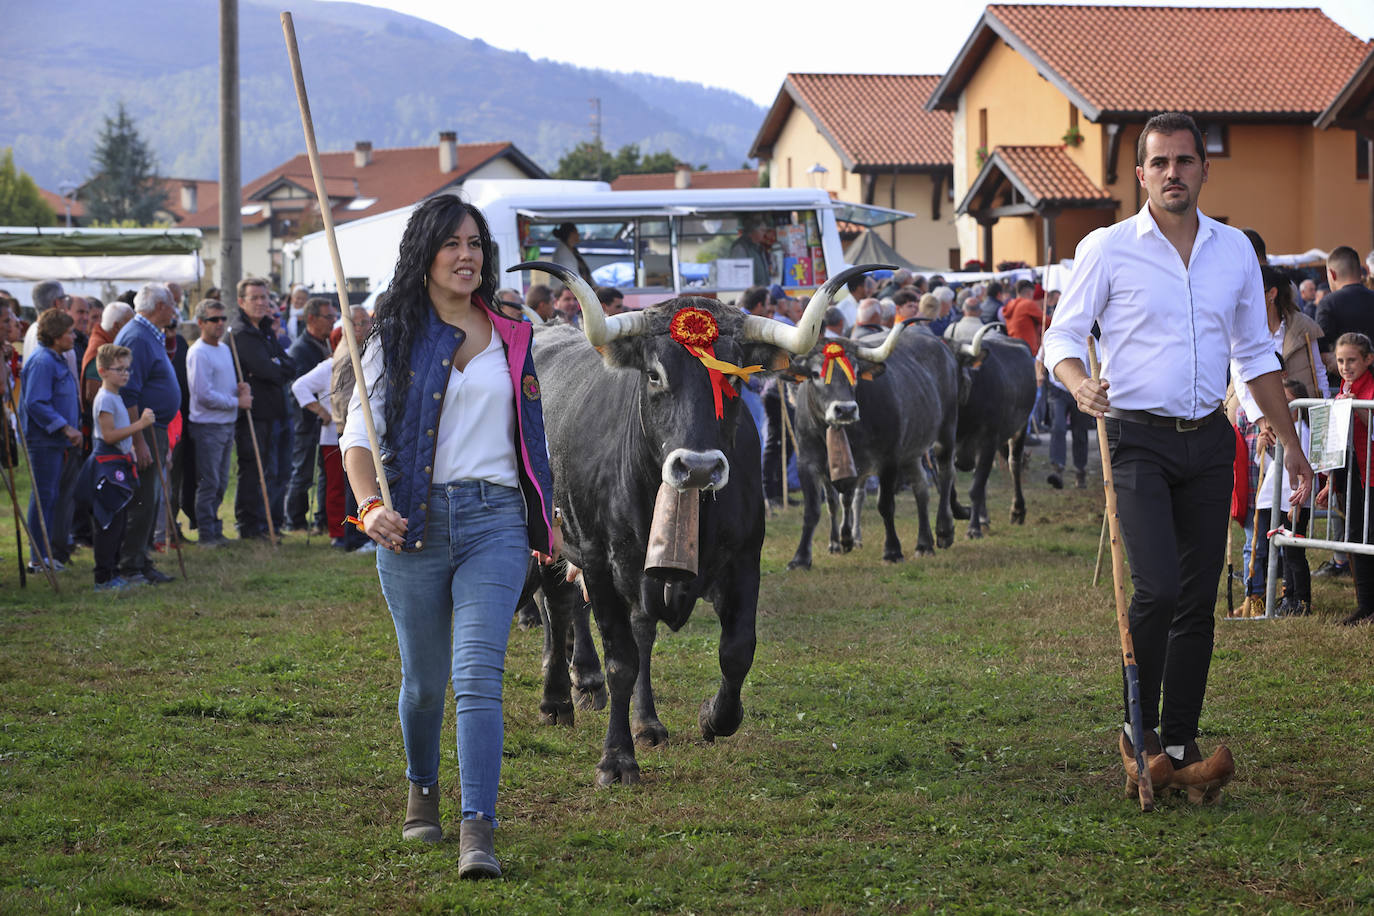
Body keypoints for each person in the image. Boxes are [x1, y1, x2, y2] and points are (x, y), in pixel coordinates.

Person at [1043, 112, 1312, 801]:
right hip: (1134, 438)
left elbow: (1255, 356)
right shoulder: (1108, 248)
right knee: (1158, 588)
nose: (1172, 174)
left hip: (1209, 438)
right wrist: (1080, 386)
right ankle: (1138, 735)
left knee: (1197, 598)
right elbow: (1061, 340)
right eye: (1159, 163)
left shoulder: (1232, 254)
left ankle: (1182, 742)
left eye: (1184, 161)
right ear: (1141, 175)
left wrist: (1292, 446)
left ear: (1203, 169)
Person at [340, 194, 558, 877]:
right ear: (425, 255)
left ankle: (478, 828)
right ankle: (422, 788)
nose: (467, 256)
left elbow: (535, 443)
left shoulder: (514, 338)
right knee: (425, 684)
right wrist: (370, 508)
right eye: (452, 244)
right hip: (413, 524)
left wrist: (554, 526)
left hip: (495, 523)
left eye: (476, 244)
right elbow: (355, 441)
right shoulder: (391, 337)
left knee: (477, 676)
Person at [113, 284, 181, 585]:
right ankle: (130, 566)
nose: (175, 310)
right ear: (158, 307)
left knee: (151, 497)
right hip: (145, 427)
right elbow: (129, 392)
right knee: (143, 498)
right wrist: (139, 440)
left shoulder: (147, 334)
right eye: (172, 305)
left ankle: (141, 560)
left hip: (155, 427)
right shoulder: (138, 337)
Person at [1317, 332, 1374, 626]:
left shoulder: (1370, 387)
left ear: (1368, 359)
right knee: (1354, 536)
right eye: (1340, 361)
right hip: (1353, 472)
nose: (1345, 366)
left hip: (1371, 472)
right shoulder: (1343, 387)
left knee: (1369, 535)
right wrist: (1330, 481)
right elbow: (1337, 442)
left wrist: (1360, 411)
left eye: (1352, 360)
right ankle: (1365, 605)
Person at [87, 344, 155, 590]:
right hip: (107, 464)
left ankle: (114, 573)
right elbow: (108, 435)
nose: (125, 374)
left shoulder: (116, 396)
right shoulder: (105, 398)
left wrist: (132, 449)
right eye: (119, 369)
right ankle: (103, 577)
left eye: (128, 369)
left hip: (119, 462)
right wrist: (141, 425)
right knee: (108, 523)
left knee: (118, 521)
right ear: (103, 371)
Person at [19, 309, 82, 572]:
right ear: (56, 335)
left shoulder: (56, 359)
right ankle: (37, 558)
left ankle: (44, 554)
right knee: (44, 497)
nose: (74, 335)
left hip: (55, 443)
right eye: (69, 332)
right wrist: (65, 427)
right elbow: (36, 402)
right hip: (43, 441)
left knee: (51, 496)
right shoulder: (43, 361)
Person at [231, 277, 293, 539]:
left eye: (264, 297)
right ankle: (250, 525)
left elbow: (290, 366)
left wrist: (276, 364)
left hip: (277, 410)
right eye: (254, 298)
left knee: (278, 470)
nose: (260, 303)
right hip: (254, 414)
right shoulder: (240, 333)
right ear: (241, 301)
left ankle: (272, 522)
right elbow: (266, 369)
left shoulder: (267, 328)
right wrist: (275, 365)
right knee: (254, 470)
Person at [187, 299, 251, 546]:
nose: (220, 324)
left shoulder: (224, 348)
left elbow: (220, 388)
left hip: (226, 423)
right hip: (207, 426)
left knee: (221, 481)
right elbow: (203, 395)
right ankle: (206, 534)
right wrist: (236, 402)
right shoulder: (198, 353)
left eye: (223, 319)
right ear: (201, 322)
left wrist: (238, 391)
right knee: (209, 481)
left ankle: (215, 529)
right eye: (214, 319)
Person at [1257, 378, 1313, 617]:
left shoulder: (1302, 432)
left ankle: (1301, 600)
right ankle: (1287, 596)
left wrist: (1298, 502)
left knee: (1294, 553)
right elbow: (1271, 469)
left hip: (1292, 502)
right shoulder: (1280, 433)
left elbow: (1304, 469)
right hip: (1275, 500)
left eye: (1287, 402)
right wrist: (1262, 448)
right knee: (1281, 552)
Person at [285, 297, 339, 532]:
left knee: (324, 473)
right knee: (303, 472)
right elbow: (297, 387)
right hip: (306, 422)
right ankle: (294, 520)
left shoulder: (325, 343)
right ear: (311, 319)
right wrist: (320, 410)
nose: (332, 321)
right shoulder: (301, 348)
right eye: (328, 317)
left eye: (333, 316)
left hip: (323, 424)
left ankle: (322, 518)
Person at [291, 328, 346, 547]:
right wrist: (321, 411)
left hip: (358, 435)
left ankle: (357, 531)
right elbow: (299, 386)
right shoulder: (328, 367)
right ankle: (338, 532)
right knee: (336, 486)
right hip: (333, 435)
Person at [728, 215, 772, 286]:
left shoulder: (759, 247)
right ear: (753, 230)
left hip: (762, 291)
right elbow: (738, 275)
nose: (764, 234)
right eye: (762, 230)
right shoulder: (740, 248)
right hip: (751, 293)